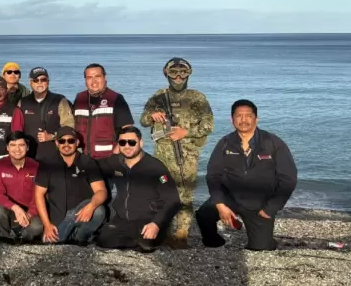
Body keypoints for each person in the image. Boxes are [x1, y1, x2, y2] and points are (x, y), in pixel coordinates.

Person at [197, 100, 297, 251]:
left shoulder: (273, 143)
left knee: (262, 249)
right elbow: (213, 176)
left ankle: (265, 238)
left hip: (259, 204)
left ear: (256, 119)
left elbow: (288, 179)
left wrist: (271, 208)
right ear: (232, 120)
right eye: (239, 116)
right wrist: (220, 204)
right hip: (229, 197)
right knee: (203, 215)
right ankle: (214, 242)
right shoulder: (225, 143)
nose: (243, 120)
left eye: (248, 116)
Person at [140, 58, 215, 247]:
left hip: (187, 156)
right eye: (174, 73)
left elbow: (208, 125)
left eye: (183, 72)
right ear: (166, 74)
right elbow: (143, 120)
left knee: (185, 196)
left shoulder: (197, 98)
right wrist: (152, 115)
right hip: (162, 157)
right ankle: (164, 231)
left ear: (189, 73)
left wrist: (185, 132)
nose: (179, 77)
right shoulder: (158, 96)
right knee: (161, 194)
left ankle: (182, 234)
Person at [96, 126, 181, 252]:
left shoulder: (155, 167)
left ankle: (157, 235)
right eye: (122, 142)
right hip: (123, 219)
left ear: (140, 143)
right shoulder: (114, 162)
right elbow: (91, 166)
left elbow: (174, 200)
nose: (127, 146)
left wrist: (156, 224)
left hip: (148, 220)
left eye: (132, 142)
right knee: (103, 241)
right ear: (118, 145)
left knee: (145, 246)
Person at [34, 126, 108, 245]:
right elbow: (39, 194)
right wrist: (47, 225)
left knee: (99, 211)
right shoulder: (47, 163)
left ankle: (81, 236)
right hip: (58, 215)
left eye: (71, 140)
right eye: (62, 141)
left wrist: (91, 206)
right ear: (57, 143)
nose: (66, 144)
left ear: (77, 143)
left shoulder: (87, 162)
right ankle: (70, 234)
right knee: (50, 244)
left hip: (83, 211)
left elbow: (101, 191)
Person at [0, 131, 42, 242]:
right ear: (7, 148)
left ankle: (23, 238)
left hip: (30, 211)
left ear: (27, 147)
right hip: (9, 209)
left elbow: (39, 195)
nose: (17, 149)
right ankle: (8, 237)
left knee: (37, 227)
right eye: (13, 145)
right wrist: (15, 208)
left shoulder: (36, 167)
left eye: (21, 145)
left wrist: (29, 213)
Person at [74, 63, 133, 161]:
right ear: (85, 81)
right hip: (83, 158)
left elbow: (128, 130)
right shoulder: (80, 98)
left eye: (97, 76)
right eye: (89, 77)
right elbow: (72, 126)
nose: (94, 81)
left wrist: (117, 152)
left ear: (105, 77)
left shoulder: (116, 98)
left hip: (109, 158)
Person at [19, 67, 74, 163]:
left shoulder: (60, 100)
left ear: (48, 82)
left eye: (43, 80)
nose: (40, 83)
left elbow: (69, 127)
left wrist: (52, 136)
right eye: (36, 80)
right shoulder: (23, 102)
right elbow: (17, 129)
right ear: (30, 83)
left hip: (54, 157)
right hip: (29, 158)